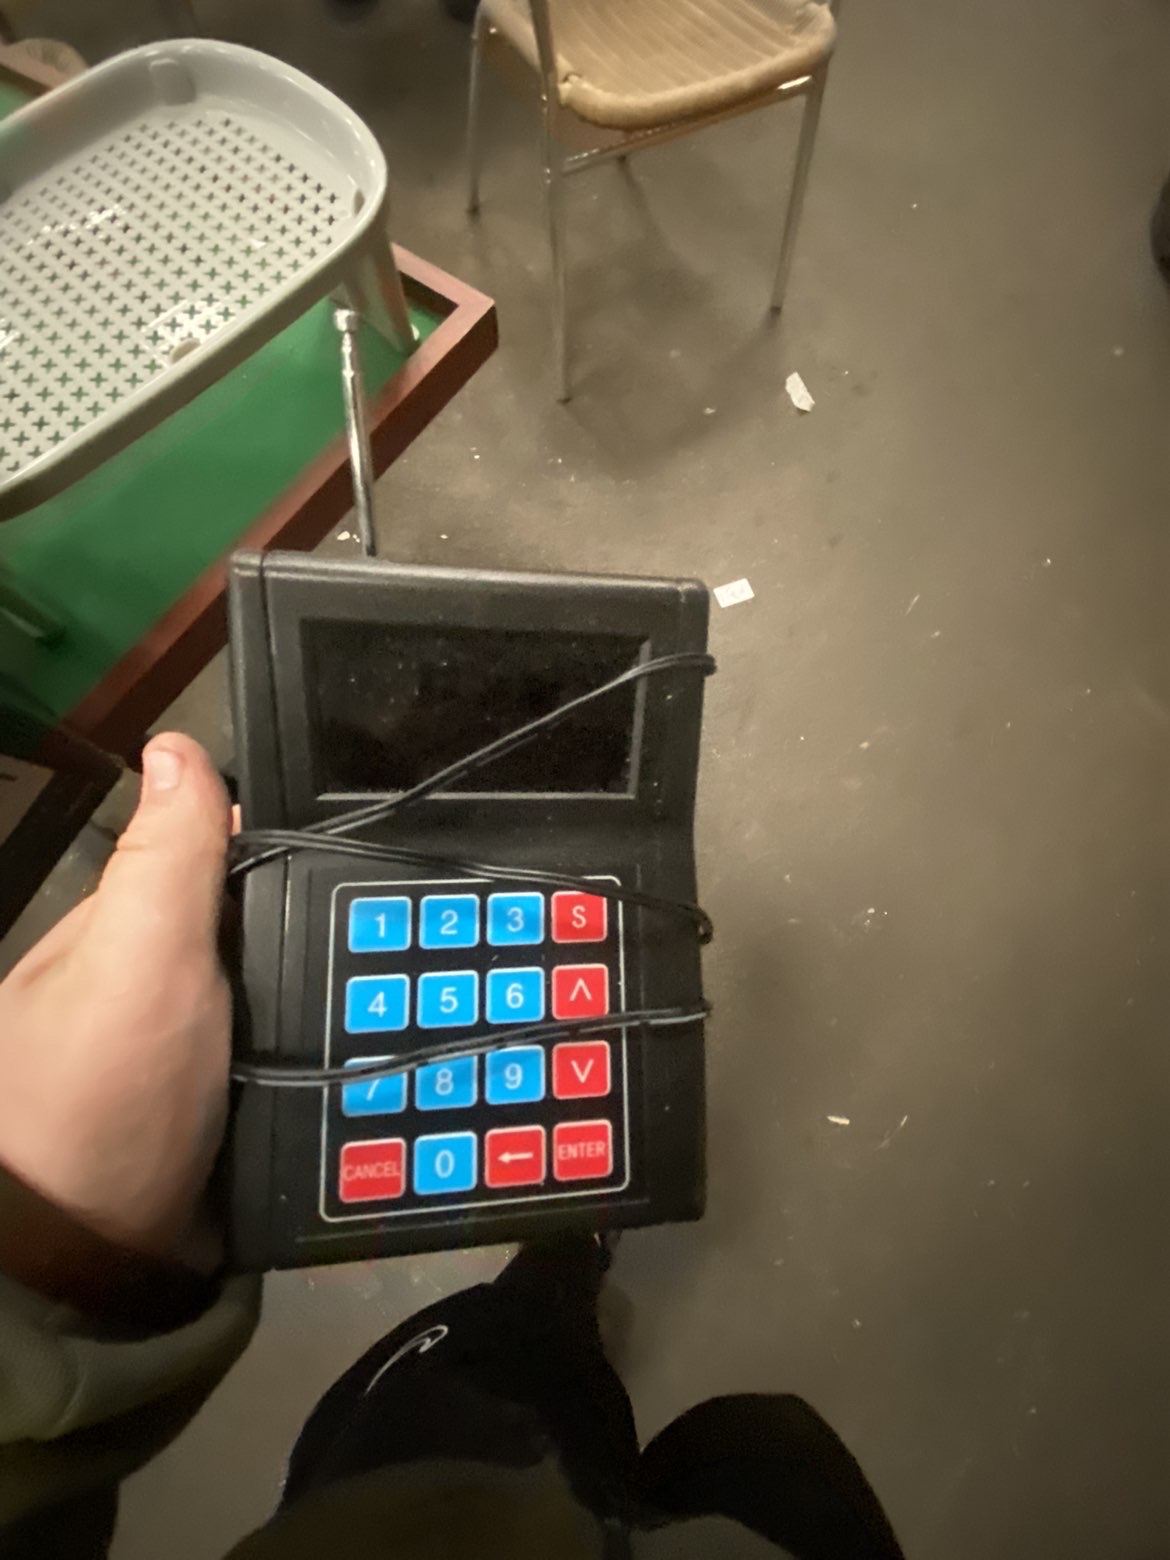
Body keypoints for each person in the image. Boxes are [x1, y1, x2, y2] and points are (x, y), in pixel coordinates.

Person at [0, 734, 906, 1560]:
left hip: (385, 1514)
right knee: (769, 1448)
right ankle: (566, 1260)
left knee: (502, 1355)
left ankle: (558, 1270)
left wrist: (54, 1249)